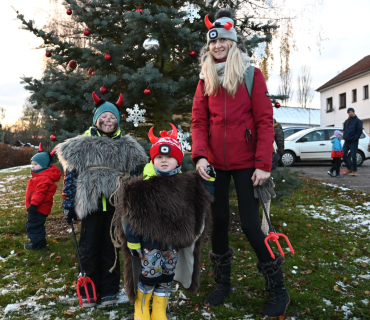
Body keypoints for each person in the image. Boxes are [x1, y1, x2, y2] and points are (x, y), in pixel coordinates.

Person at [191, 9, 290, 318]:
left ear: (232, 42)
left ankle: (278, 289)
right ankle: (223, 283)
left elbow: (263, 121)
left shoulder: (250, 74)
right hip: (216, 164)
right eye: (213, 42)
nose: (217, 46)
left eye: (222, 40)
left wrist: (263, 163)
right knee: (218, 222)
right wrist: (201, 155)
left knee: (249, 224)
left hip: (248, 163)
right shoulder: (205, 77)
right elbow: (198, 121)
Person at [56, 92, 148, 308]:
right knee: (89, 247)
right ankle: (90, 289)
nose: (108, 121)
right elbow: (71, 177)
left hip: (116, 206)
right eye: (104, 117)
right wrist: (68, 204)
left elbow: (138, 175)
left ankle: (108, 291)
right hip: (90, 205)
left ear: (118, 120)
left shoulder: (127, 146)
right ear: (96, 119)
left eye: (112, 117)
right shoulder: (82, 144)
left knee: (111, 248)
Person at [114, 124, 212, 320]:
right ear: (153, 160)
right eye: (159, 157)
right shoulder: (140, 187)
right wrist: (133, 240)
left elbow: (201, 203)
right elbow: (129, 216)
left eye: (169, 157)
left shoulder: (187, 185)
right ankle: (142, 306)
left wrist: (210, 181)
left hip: (173, 242)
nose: (164, 160)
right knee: (150, 273)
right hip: (149, 243)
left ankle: (159, 308)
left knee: (167, 274)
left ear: (178, 161)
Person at [25, 146, 61, 250]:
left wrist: (34, 205)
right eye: (32, 164)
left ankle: (36, 244)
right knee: (37, 225)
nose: (32, 166)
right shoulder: (39, 177)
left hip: (38, 208)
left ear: (44, 165)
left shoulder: (43, 178)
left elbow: (40, 194)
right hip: (38, 208)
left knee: (33, 226)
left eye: (35, 164)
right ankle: (39, 241)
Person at [343, 107, 363, 176]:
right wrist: (344, 136)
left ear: (353, 112)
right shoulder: (346, 121)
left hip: (353, 141)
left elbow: (359, 131)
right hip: (347, 141)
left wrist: (355, 138)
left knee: (353, 156)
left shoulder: (357, 121)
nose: (350, 113)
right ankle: (349, 168)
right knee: (343, 154)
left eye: (351, 112)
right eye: (349, 112)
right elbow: (344, 130)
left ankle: (354, 170)